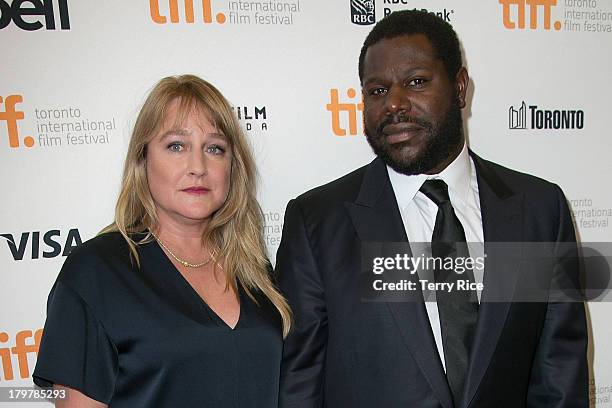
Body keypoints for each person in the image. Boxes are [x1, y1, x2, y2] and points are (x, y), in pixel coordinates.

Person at [277, 10, 588, 408]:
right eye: (376, 90)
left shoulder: (540, 211)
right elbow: (300, 384)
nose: (394, 104)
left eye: (416, 82)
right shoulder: (316, 222)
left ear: (460, 88)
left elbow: (560, 375)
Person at [33, 74, 291, 407]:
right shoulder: (96, 272)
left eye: (214, 148)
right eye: (176, 146)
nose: (197, 166)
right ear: (143, 160)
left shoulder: (253, 271)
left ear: (232, 167)